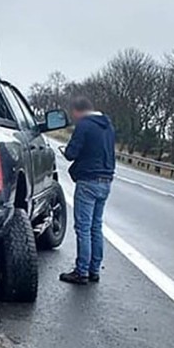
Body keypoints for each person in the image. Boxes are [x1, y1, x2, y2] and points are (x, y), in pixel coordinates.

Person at [60, 97, 116, 285]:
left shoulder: (84, 125)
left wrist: (67, 150)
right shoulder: (107, 125)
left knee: (83, 228)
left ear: (78, 111)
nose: (73, 118)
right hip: (106, 181)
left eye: (73, 115)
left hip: (88, 182)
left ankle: (81, 271)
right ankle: (94, 270)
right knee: (95, 227)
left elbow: (71, 153)